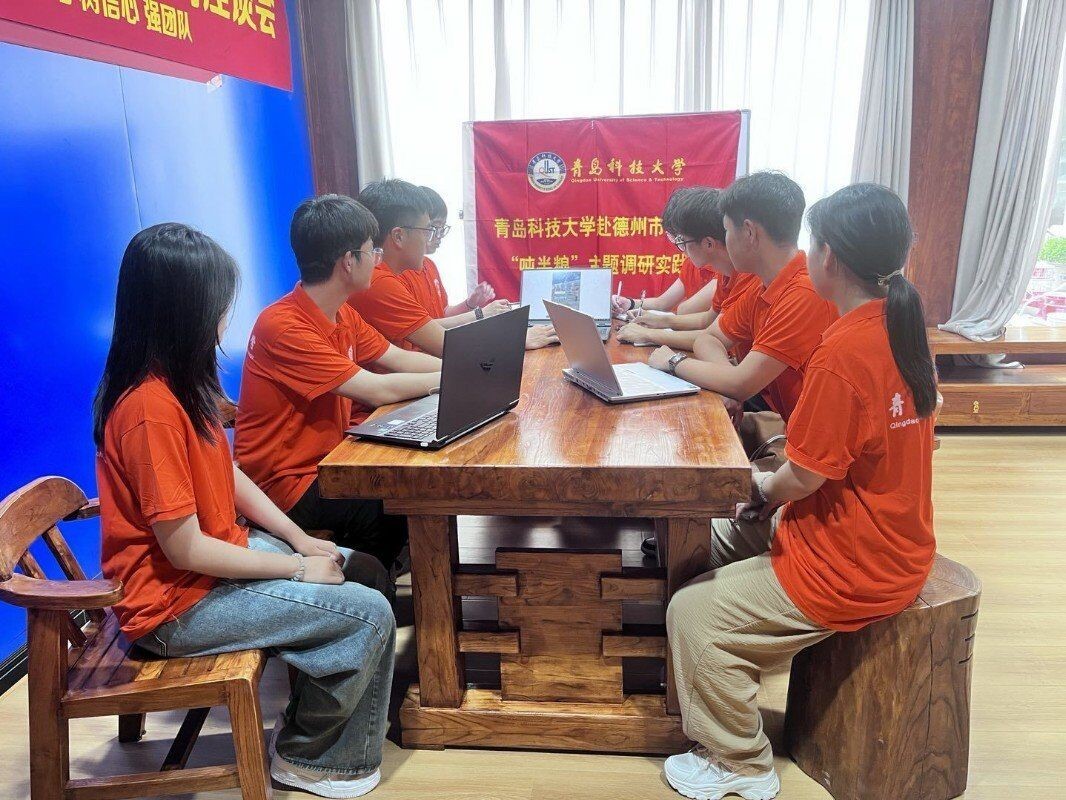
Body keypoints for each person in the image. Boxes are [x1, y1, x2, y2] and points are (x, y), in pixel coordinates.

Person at [94, 222, 394, 798]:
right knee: (369, 613)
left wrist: (301, 540)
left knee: (360, 570)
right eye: (218, 305)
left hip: (208, 573)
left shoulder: (184, 385)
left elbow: (228, 475)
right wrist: (297, 568)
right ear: (184, 312)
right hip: (175, 608)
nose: (224, 318)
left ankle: (311, 733)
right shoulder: (149, 409)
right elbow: (185, 549)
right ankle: (312, 761)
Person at [662, 183, 939, 800]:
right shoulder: (895, 325)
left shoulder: (844, 350)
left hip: (856, 559)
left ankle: (739, 763)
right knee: (707, 537)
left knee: (693, 613)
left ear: (829, 256)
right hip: (886, 535)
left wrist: (763, 488)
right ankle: (712, 678)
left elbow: (802, 477)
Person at [234, 194, 441, 580]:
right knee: (394, 505)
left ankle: (379, 583)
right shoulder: (283, 326)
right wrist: (452, 378)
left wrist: (463, 369)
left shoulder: (341, 311)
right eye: (372, 250)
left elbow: (398, 358)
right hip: (285, 484)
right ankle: (368, 591)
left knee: (407, 490)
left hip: (331, 461)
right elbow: (375, 389)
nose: (377, 259)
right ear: (349, 261)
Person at [647, 172, 837, 428]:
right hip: (791, 426)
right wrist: (729, 382)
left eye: (726, 230)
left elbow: (742, 383)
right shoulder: (762, 284)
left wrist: (673, 361)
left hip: (812, 441)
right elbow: (709, 338)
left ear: (749, 232)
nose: (724, 241)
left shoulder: (803, 293)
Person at [348, 179, 557, 354]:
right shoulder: (378, 282)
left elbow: (422, 349)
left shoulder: (394, 274)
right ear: (398, 236)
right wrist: (515, 339)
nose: (431, 238)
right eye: (428, 230)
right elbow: (447, 346)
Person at [617, 187, 760, 350]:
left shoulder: (748, 273)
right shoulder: (726, 273)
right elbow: (707, 320)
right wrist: (660, 320)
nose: (682, 249)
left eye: (682, 241)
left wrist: (648, 335)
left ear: (709, 243)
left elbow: (713, 336)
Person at [610, 187, 720, 317]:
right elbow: (663, 303)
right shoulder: (691, 264)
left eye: (681, 240)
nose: (683, 250)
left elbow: (687, 311)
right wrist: (629, 303)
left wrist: (656, 320)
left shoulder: (725, 271)